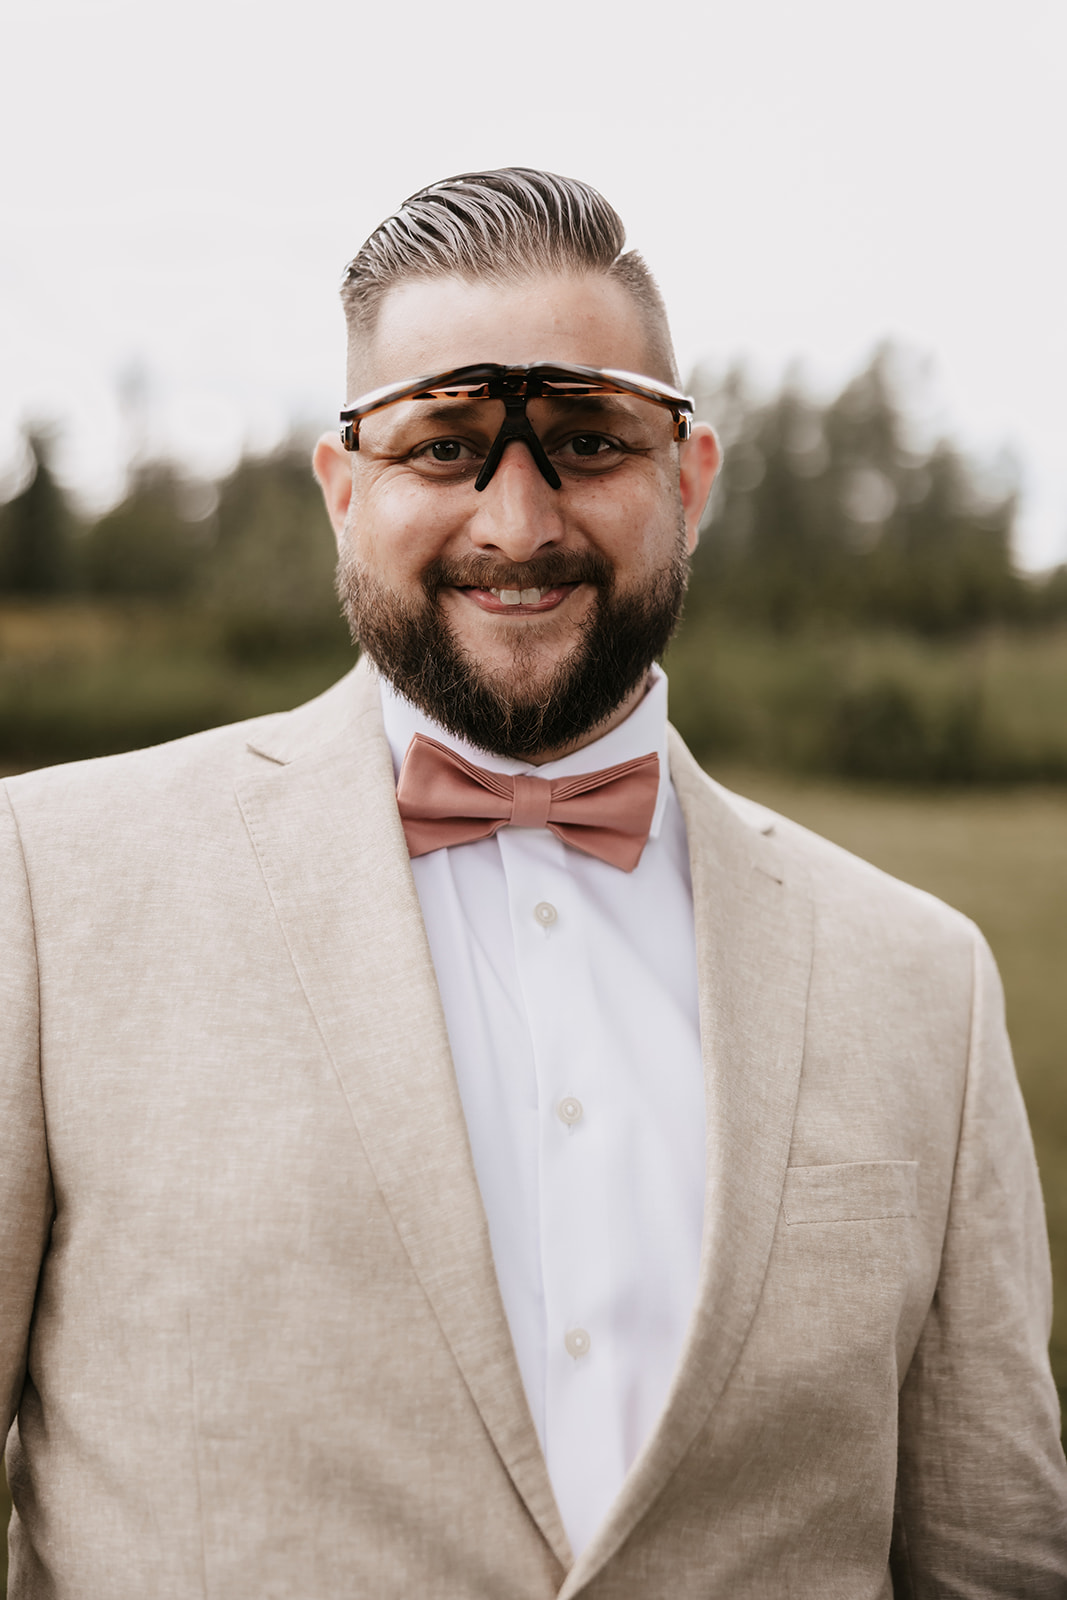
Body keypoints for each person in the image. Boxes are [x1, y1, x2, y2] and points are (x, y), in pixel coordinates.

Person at [1, 168, 1065, 1599]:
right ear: (345, 487)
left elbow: (996, 1559)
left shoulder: (922, 980)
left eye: (584, 437)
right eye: (444, 443)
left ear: (689, 480)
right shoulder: (46, 894)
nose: (516, 519)